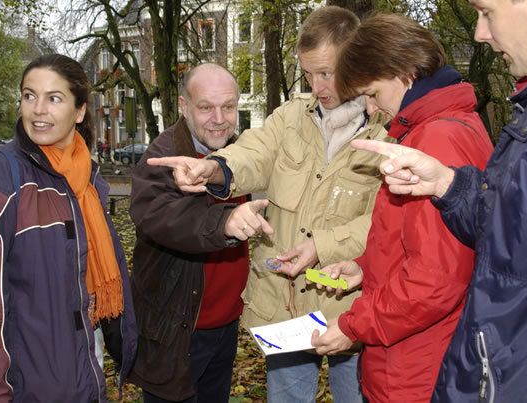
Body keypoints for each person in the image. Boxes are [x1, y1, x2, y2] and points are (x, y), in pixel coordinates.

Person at [146, 6, 391, 402]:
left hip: (353, 306)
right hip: (286, 306)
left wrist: (323, 247)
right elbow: (254, 152)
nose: (316, 85)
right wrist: (215, 169)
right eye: (308, 73)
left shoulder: (389, 131)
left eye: (326, 72)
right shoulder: (291, 117)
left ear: (357, 60)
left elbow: (388, 220)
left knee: (358, 396)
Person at [350, 0, 527, 401]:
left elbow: (437, 277)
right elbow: (515, 230)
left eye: (487, 12)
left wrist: (353, 325)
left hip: (424, 366)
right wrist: (448, 185)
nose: (480, 33)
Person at [293, 14, 494, 402]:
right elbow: (427, 246)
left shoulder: (435, 140)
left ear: (404, 73)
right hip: (417, 355)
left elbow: (434, 281)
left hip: (415, 368)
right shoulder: (447, 126)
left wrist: (353, 325)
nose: (369, 109)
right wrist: (365, 268)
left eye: (372, 93)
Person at [0, 53, 137, 402]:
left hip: (87, 370)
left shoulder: (90, 181)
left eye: (54, 98)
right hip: (32, 386)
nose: (38, 109)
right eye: (29, 95)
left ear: (80, 111)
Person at [127, 63, 269, 403]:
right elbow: (164, 217)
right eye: (206, 107)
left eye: (228, 107)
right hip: (175, 329)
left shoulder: (240, 156)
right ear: (183, 106)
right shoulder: (162, 158)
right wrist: (224, 222)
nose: (219, 118)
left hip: (225, 325)